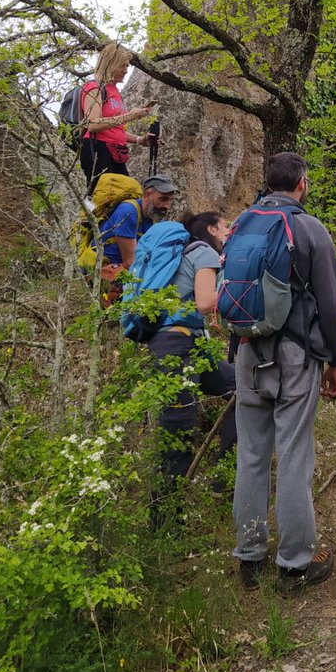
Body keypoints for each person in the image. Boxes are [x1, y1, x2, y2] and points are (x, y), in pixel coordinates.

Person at [232, 152, 336, 593]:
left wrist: (235, 352)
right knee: (294, 455)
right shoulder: (310, 229)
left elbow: (235, 292)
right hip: (296, 357)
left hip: (246, 353)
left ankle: (250, 558)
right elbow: (330, 305)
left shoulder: (243, 223)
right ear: (302, 183)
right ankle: (295, 564)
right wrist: (335, 360)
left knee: (252, 456)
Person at [148, 211, 237, 502]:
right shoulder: (205, 253)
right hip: (178, 345)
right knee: (178, 429)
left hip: (189, 344)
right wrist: (235, 286)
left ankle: (225, 476)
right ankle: (164, 520)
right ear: (211, 229)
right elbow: (204, 303)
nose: (228, 232)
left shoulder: (185, 254)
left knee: (245, 388)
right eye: (224, 226)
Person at [80, 42, 155, 189]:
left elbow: (115, 129)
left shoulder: (114, 91)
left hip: (116, 152)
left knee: (128, 195)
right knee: (109, 200)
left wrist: (139, 140)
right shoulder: (95, 87)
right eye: (122, 65)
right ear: (110, 64)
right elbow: (93, 124)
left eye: (127, 66)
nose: (126, 70)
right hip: (98, 151)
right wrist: (129, 116)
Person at [99, 174, 177, 302]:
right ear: (146, 195)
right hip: (103, 270)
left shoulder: (152, 217)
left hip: (122, 270)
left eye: (170, 200)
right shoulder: (128, 211)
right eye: (163, 199)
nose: (167, 206)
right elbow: (130, 262)